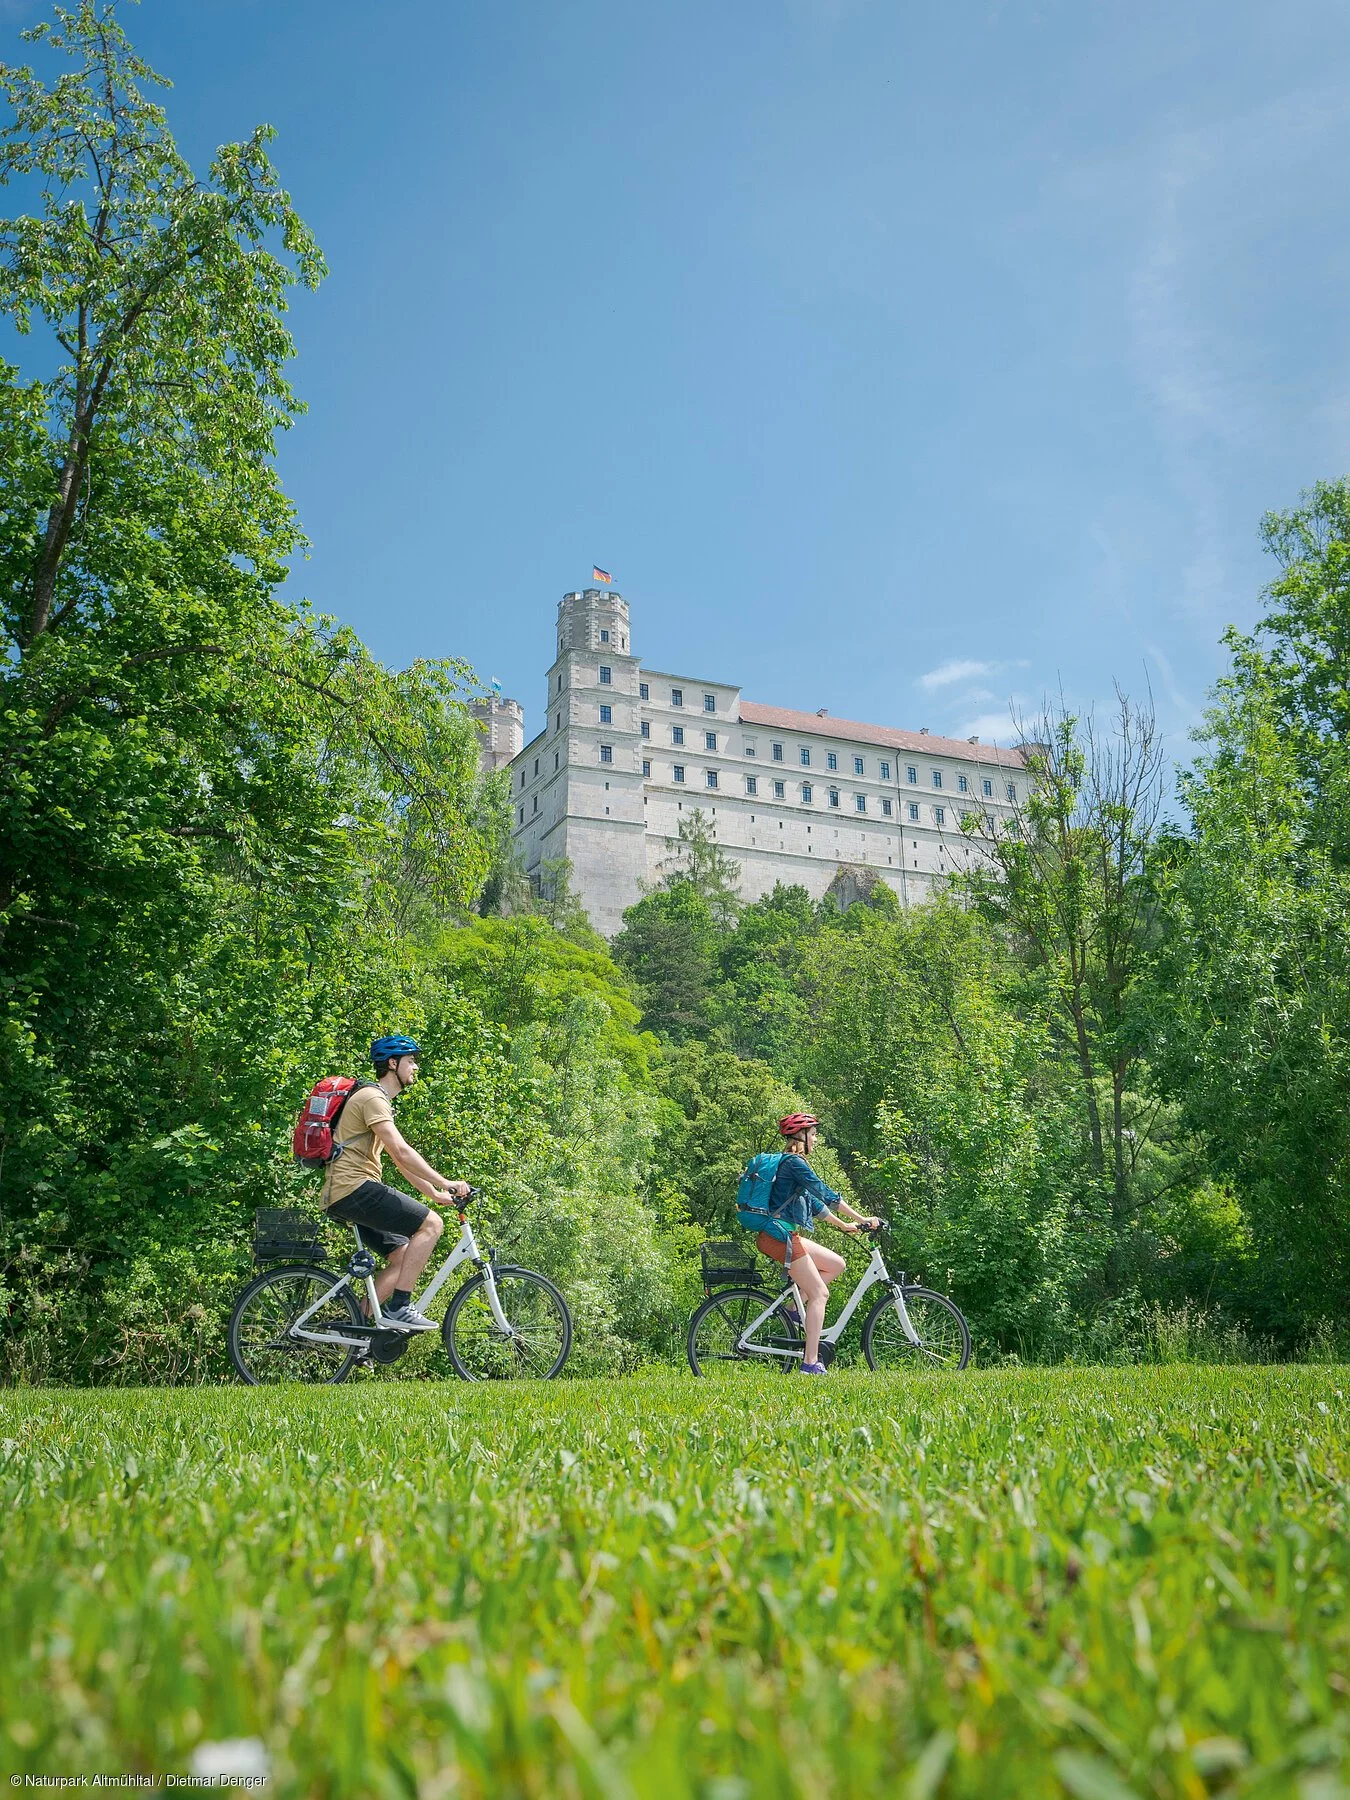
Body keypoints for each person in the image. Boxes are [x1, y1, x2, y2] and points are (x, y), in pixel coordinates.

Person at [320, 1035, 470, 1332]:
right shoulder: (372, 1098)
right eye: (411, 1061)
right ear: (392, 1063)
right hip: (354, 1189)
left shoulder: (378, 1101)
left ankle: (359, 1321)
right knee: (432, 1225)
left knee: (404, 1256)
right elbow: (401, 1151)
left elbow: (398, 1161)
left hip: (348, 1192)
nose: (415, 1068)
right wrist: (447, 1181)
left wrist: (435, 1192)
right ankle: (400, 1306)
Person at [755, 1113, 880, 1375]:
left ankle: (792, 1310)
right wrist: (862, 1217)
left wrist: (845, 1225)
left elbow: (815, 1204)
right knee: (820, 1294)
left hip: (783, 1235)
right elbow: (825, 1193)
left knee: (836, 1264)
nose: (816, 1138)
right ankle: (810, 1363)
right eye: (812, 1134)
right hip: (778, 1237)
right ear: (800, 1136)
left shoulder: (791, 1166)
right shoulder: (794, 1164)